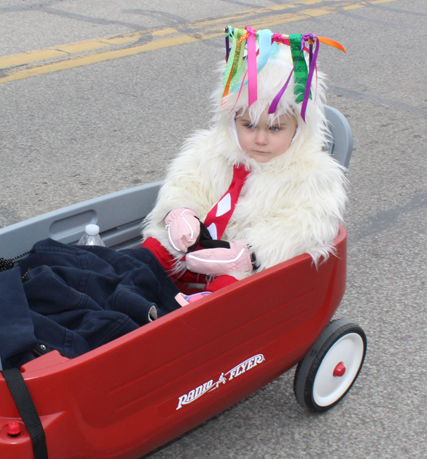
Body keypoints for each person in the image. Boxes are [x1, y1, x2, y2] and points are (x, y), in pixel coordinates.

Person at [142, 27, 347, 295]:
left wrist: (249, 252)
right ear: (232, 119)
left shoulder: (312, 175)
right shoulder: (208, 151)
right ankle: (132, 294)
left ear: (298, 128)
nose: (260, 139)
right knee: (150, 255)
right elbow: (185, 183)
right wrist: (181, 213)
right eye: (249, 125)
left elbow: (309, 225)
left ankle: (191, 317)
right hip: (192, 249)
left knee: (231, 291)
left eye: (275, 128)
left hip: (243, 268)